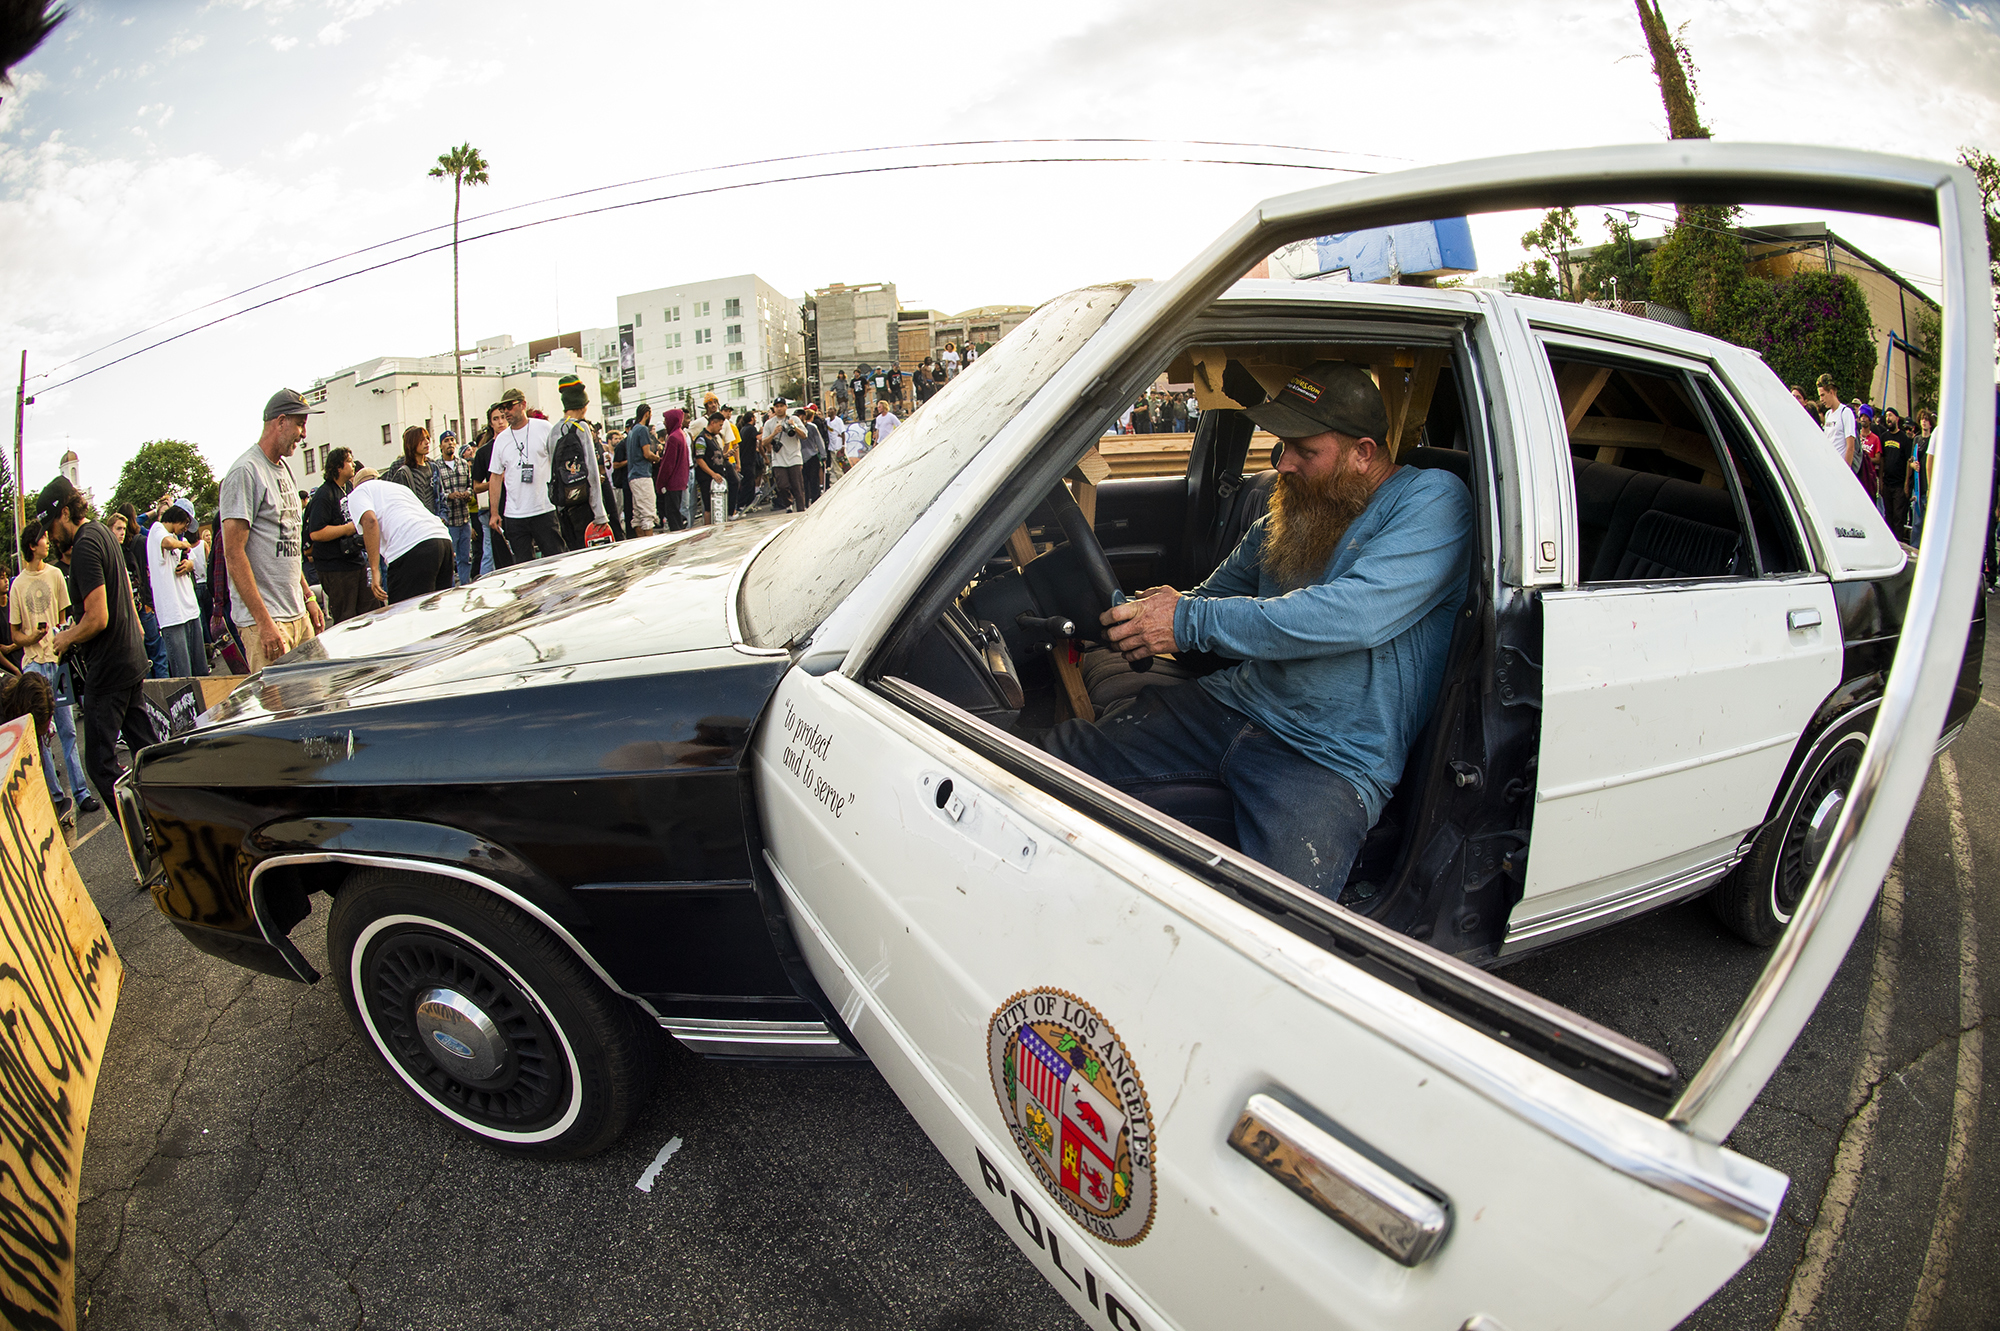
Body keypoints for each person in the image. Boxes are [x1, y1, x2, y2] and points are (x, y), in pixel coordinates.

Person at [1040, 361, 1473, 898]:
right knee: (1046, 765)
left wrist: (1187, 621)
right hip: (1231, 706)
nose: (1283, 463)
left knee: (1285, 928)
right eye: (1281, 445)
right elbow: (1207, 601)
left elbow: (1354, 614)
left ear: (1364, 452)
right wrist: (1139, 617)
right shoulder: (1291, 514)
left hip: (1330, 755)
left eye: (1305, 450)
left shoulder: (1430, 501)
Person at [37, 476, 162, 810]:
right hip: (129, 658)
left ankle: (144, 833)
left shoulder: (85, 546)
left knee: (99, 763)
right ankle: (170, 818)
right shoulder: (103, 532)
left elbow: (97, 617)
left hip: (109, 669)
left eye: (51, 524)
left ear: (64, 512)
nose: (50, 534)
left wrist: (67, 636)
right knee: (146, 750)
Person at [221, 389, 326, 673]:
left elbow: (288, 543)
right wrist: (264, 623)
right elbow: (233, 553)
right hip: (267, 622)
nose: (303, 434)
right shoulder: (245, 471)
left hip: (297, 614)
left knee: (317, 700)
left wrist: (308, 597)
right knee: (281, 712)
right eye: (299, 424)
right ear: (280, 421)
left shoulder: (285, 471)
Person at [10, 519, 95, 816]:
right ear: (33, 545)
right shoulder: (17, 585)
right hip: (33, 667)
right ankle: (56, 797)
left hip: (56, 664)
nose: (48, 541)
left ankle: (81, 791)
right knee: (44, 735)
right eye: (43, 538)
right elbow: (15, 634)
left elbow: (62, 617)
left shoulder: (57, 575)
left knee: (69, 729)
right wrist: (29, 638)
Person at [346, 468, 453, 605]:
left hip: (410, 546)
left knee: (405, 613)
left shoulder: (358, 493)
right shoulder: (398, 488)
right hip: (442, 538)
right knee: (439, 609)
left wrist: (374, 570)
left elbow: (370, 521)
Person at [489, 387, 565, 562]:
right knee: (524, 567)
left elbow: (557, 463)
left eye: (509, 406)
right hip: (514, 514)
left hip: (543, 508)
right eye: (503, 408)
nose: (506, 412)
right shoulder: (501, 439)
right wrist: (494, 512)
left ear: (522, 405)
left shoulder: (544, 428)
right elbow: (495, 476)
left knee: (557, 560)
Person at [305, 446, 369, 624]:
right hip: (335, 567)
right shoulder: (324, 495)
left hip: (355, 560)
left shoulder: (348, 488)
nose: (353, 464)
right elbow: (315, 533)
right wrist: (347, 529)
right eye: (349, 461)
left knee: (369, 613)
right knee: (347, 619)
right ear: (338, 467)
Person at [148, 498, 207, 678]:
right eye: (186, 524)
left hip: (189, 609)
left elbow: (191, 561)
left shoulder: (175, 537)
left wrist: (189, 564)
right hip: (173, 615)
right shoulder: (157, 529)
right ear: (179, 517)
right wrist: (183, 544)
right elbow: (166, 543)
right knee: (184, 675)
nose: (185, 530)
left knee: (201, 670)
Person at [435, 430, 475, 584]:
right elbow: (436, 493)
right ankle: (450, 588)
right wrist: (449, 496)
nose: (450, 443)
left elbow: (470, 486)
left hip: (464, 518)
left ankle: (465, 585)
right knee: (448, 561)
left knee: (465, 558)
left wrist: (467, 493)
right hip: (448, 521)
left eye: (452, 440)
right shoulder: (436, 467)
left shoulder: (463, 464)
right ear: (440, 446)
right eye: (446, 441)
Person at [762, 397, 809, 513]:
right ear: (774, 408)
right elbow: (763, 442)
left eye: (781, 406)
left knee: (797, 486)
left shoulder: (794, 419)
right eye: (777, 406)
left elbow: (804, 436)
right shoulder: (769, 423)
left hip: (794, 458)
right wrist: (774, 433)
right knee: (782, 485)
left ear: (786, 407)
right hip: (779, 459)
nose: (779, 409)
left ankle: (801, 510)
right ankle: (788, 504)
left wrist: (794, 427)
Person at [384, 425, 444, 517]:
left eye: (427, 438)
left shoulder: (433, 467)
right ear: (411, 444)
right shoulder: (403, 473)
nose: (427, 442)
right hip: (415, 523)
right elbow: (396, 503)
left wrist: (443, 517)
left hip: (435, 523)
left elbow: (441, 497)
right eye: (421, 440)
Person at [693, 410, 737, 523]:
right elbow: (699, 459)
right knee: (709, 507)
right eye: (720, 425)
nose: (721, 428)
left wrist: (725, 455)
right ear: (712, 423)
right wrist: (712, 474)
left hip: (718, 477)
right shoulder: (702, 439)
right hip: (708, 478)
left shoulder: (713, 438)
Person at [625, 404, 661, 537]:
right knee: (648, 514)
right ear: (647, 414)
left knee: (638, 516)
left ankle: (641, 543)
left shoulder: (632, 431)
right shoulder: (642, 430)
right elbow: (646, 453)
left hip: (633, 476)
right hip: (642, 475)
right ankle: (650, 546)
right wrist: (656, 458)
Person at [1878, 407, 1913, 539]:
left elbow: (1908, 462)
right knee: (1888, 515)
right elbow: (1882, 459)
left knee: (1898, 517)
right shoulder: (1884, 437)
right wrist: (1880, 481)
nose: (1888, 418)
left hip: (1899, 485)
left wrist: (1906, 484)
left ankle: (1899, 543)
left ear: (1897, 418)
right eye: (1887, 416)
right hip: (1887, 483)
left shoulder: (1904, 439)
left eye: (1891, 416)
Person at [655, 406, 691, 531]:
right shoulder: (681, 435)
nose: (665, 423)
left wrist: (660, 483)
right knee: (677, 511)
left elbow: (668, 464)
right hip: (680, 480)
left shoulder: (673, 438)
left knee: (672, 514)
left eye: (666, 419)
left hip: (672, 482)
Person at [1816, 374, 1857, 470]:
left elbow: (1850, 447)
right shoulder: (1828, 414)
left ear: (1831, 392)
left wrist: (1846, 472)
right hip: (1828, 467)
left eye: (1823, 395)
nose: (1821, 399)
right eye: (1819, 396)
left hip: (1840, 468)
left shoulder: (1845, 412)